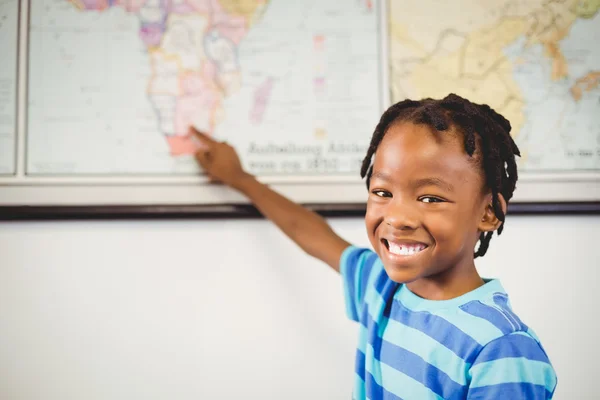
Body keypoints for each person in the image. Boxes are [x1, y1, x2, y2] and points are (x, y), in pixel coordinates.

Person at [190, 93, 557, 399]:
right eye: (382, 192)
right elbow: (310, 232)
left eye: (430, 198)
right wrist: (239, 178)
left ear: (489, 213)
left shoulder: (501, 349)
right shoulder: (380, 285)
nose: (397, 218)